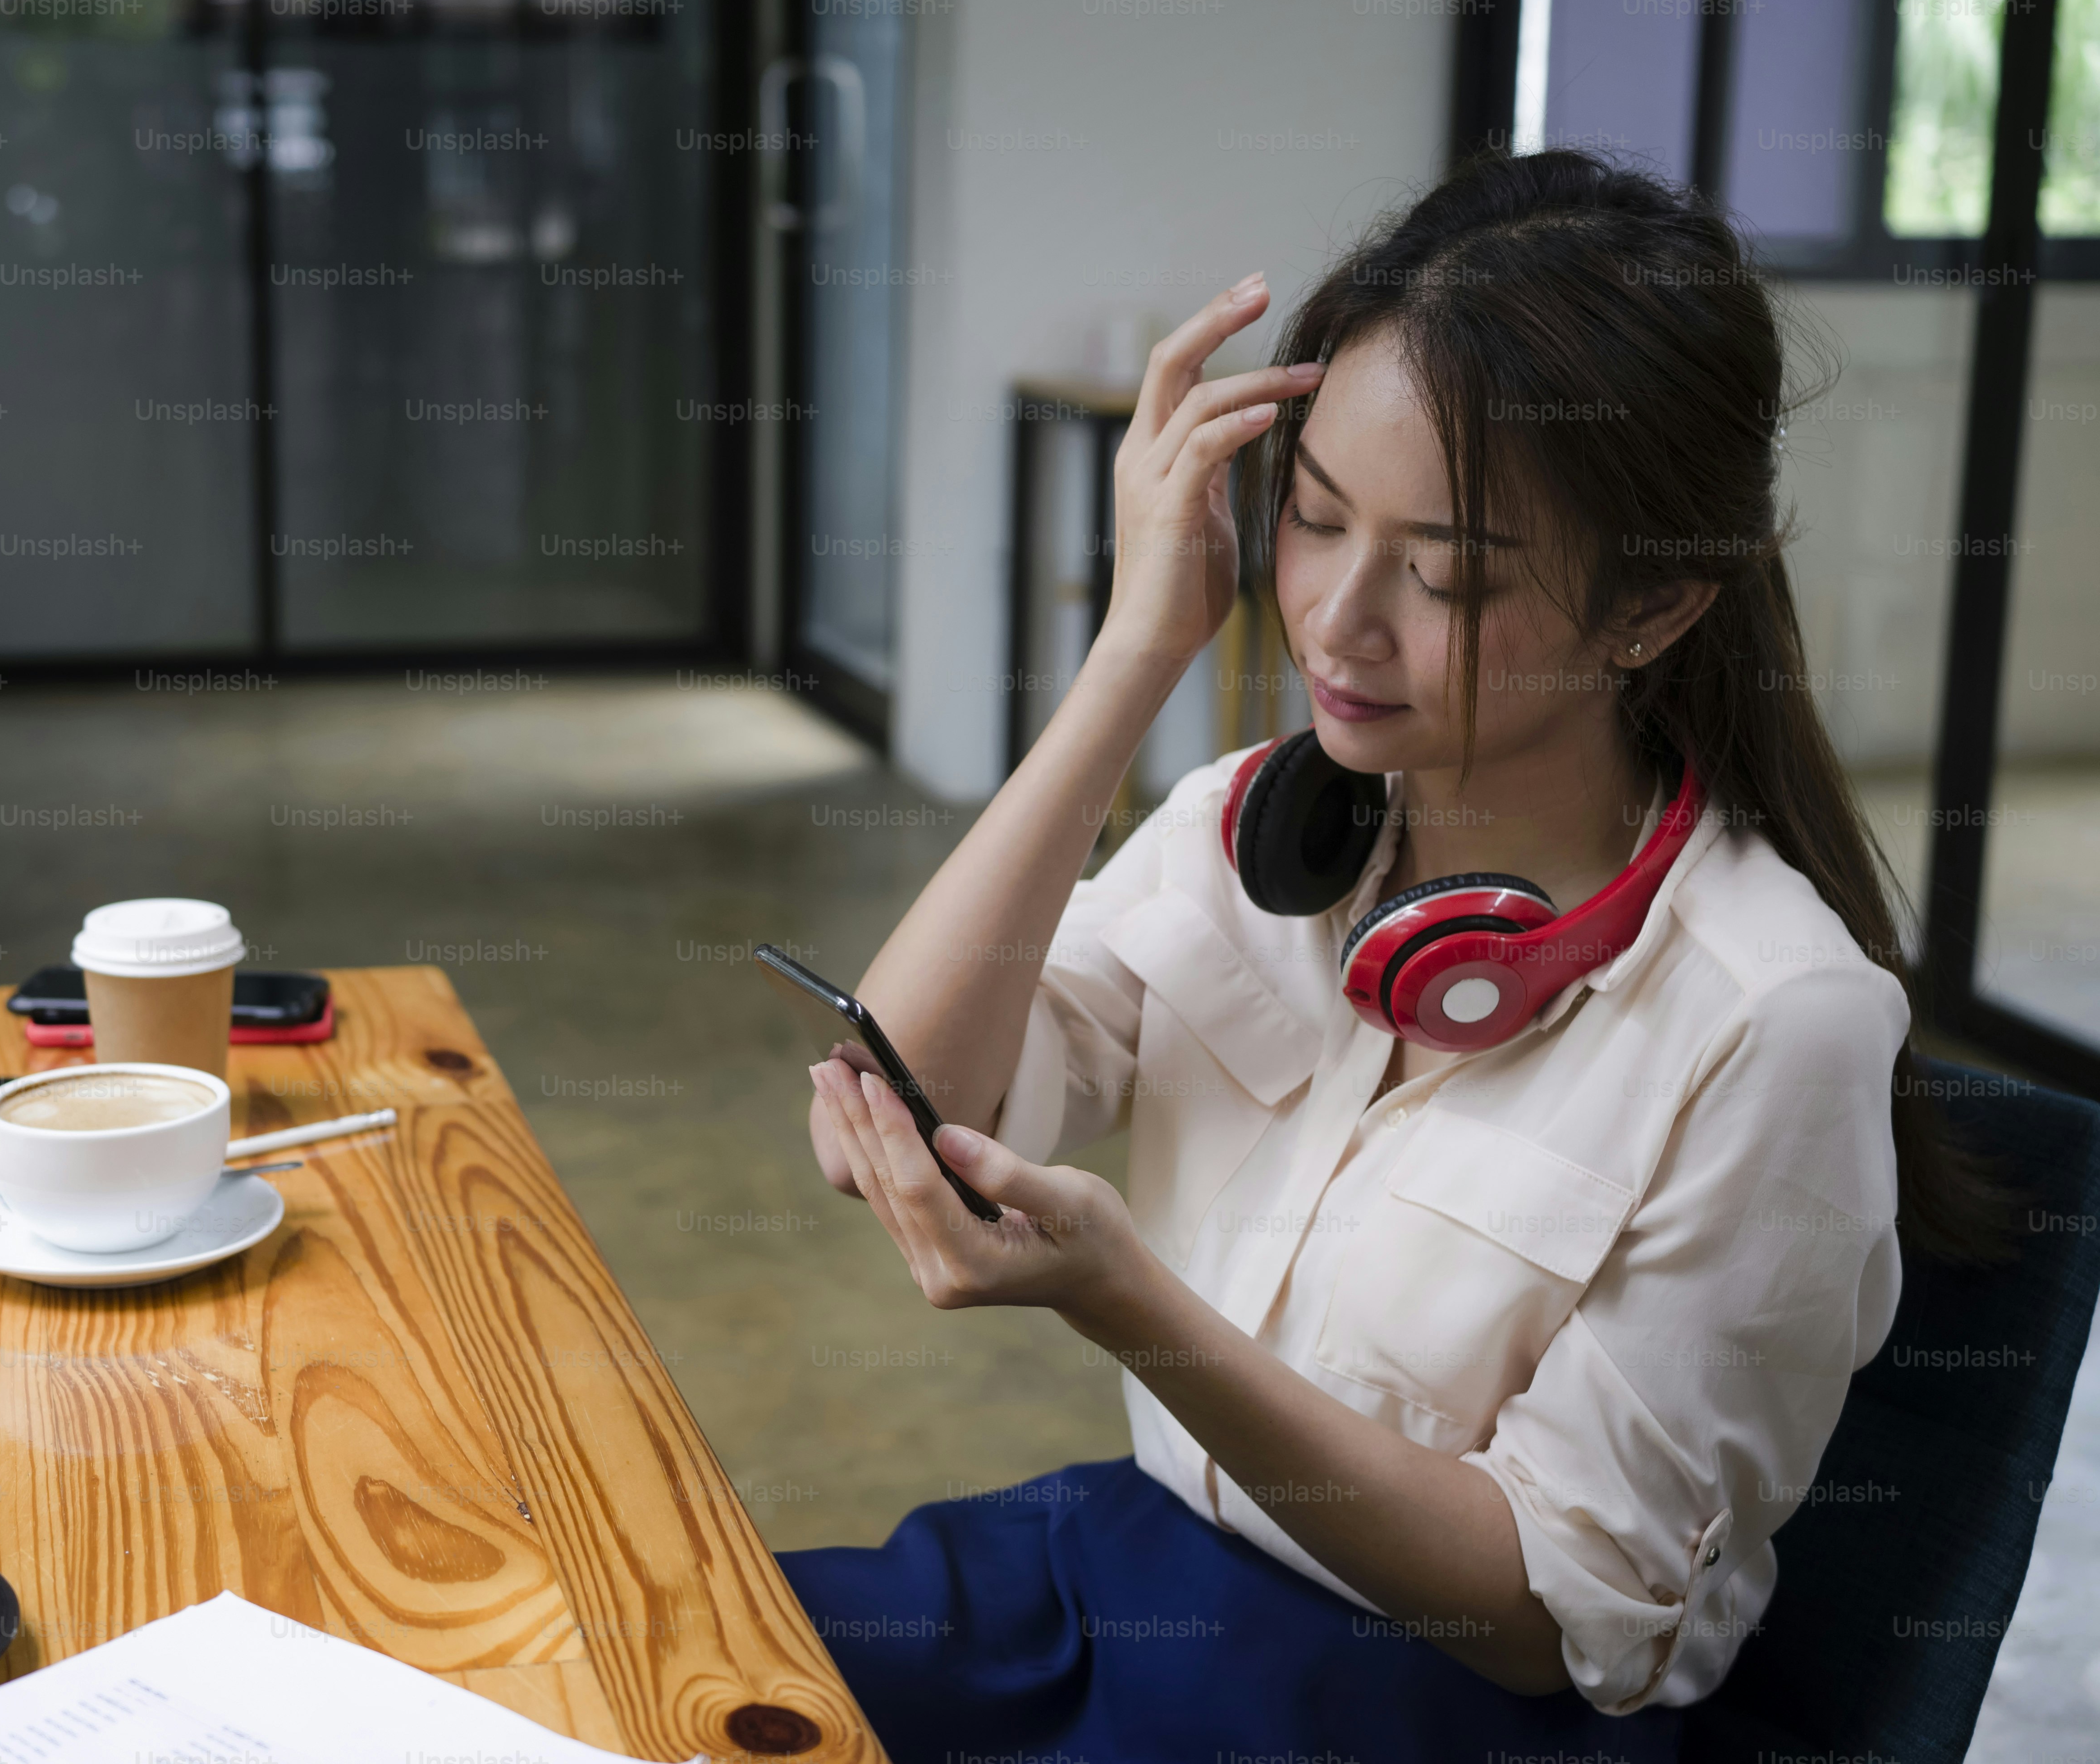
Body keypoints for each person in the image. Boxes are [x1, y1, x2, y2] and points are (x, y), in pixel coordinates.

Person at [775, 149, 2003, 1763]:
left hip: (1425, 1707)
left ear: (1650, 606)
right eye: (1314, 517)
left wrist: (1133, 1308)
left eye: (1447, 574)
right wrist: (1137, 654)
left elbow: (1553, 1616)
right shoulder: (1260, 832)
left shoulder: (1777, 1022)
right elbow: (907, 1098)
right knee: (627, 1660)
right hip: (1123, 1574)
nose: (1337, 624)